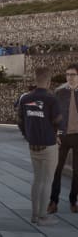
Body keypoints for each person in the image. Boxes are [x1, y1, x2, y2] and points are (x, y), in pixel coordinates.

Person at [17, 65, 62, 226]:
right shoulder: (52, 99)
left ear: (36, 80)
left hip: (33, 144)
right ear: (49, 81)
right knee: (47, 181)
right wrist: (57, 134)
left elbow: (20, 121)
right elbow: (58, 121)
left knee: (37, 180)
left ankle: (35, 215)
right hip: (49, 144)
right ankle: (43, 217)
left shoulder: (25, 99)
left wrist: (27, 135)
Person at [49, 61, 78, 216]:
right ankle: (53, 201)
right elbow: (53, 115)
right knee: (57, 170)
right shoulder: (59, 92)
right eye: (67, 74)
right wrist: (55, 134)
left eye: (72, 74)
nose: (69, 77)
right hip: (63, 136)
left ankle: (73, 201)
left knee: (77, 171)